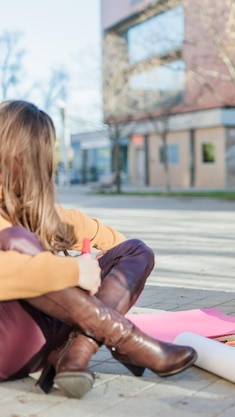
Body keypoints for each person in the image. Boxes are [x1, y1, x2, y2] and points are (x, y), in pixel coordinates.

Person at [0, 100, 197, 399]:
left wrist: (100, 269)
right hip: (6, 345)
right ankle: (128, 340)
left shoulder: (37, 210)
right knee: (18, 242)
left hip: (39, 343)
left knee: (135, 250)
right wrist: (75, 270)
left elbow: (111, 241)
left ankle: (77, 352)